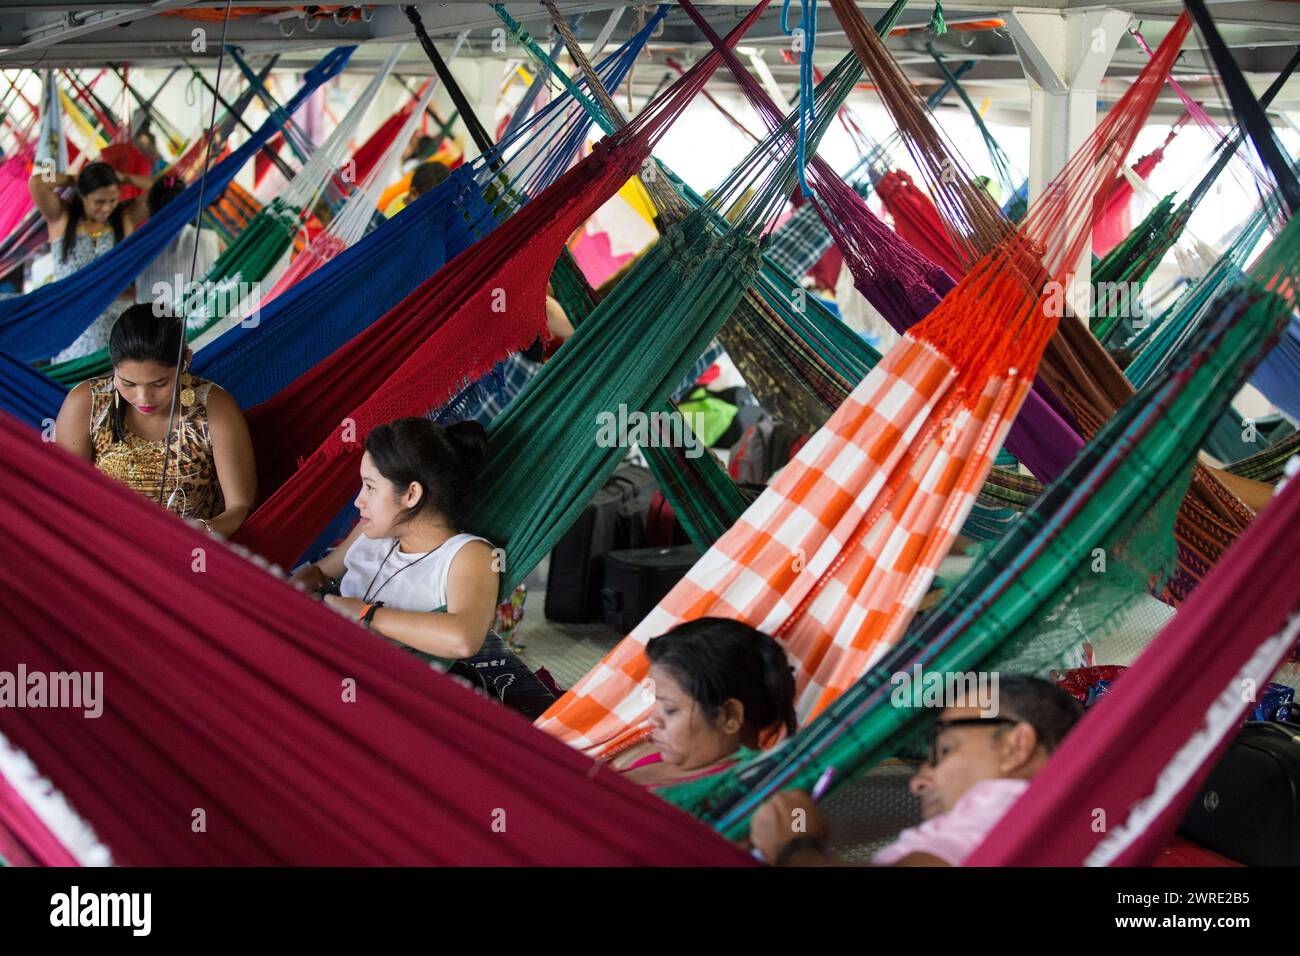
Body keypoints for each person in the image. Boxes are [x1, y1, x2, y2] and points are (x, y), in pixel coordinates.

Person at [288, 417, 557, 718]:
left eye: (370, 488)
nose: (358, 501)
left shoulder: (467, 555)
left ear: (411, 494)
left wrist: (366, 615)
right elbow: (322, 571)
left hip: (387, 703)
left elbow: (464, 637)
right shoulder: (370, 534)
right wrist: (299, 584)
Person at [748, 674, 1082, 866]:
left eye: (944, 750)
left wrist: (792, 847)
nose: (918, 783)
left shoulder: (1007, 806)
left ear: (1015, 746)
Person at [53, 304, 256, 536]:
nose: (143, 398)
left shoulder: (213, 408)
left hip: (190, 557)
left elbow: (242, 507)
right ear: (113, 365)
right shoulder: (87, 404)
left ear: (186, 361)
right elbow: (63, 497)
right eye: (128, 383)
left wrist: (201, 531)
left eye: (159, 384)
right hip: (103, 552)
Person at [611, 618, 797, 788]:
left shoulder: (724, 797)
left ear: (729, 717)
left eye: (670, 709)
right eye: (657, 703)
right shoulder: (668, 753)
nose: (654, 719)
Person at [30, 160, 153, 362]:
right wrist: (71, 179)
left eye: (112, 200)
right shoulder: (61, 217)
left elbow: (169, 187)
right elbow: (37, 182)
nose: (106, 208)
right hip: (72, 335)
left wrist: (126, 178)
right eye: (99, 201)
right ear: (83, 196)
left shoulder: (124, 218)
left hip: (119, 333)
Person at [135, 175, 221, 308]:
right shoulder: (210, 239)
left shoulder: (137, 249)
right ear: (189, 208)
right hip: (203, 320)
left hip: (152, 323)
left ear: (149, 209)